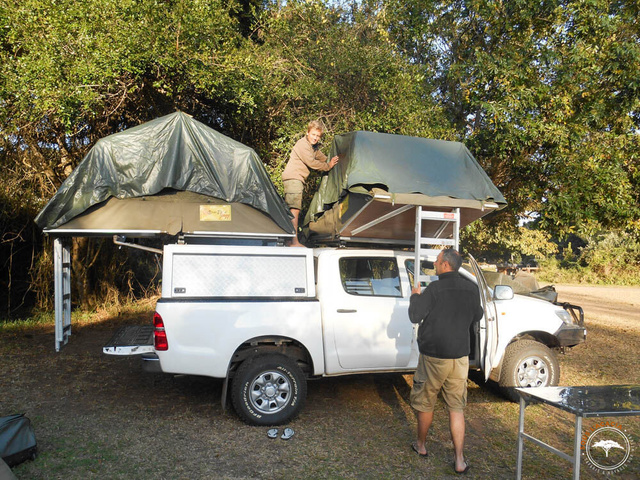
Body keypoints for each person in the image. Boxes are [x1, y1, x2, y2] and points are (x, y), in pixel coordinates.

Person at [408, 248, 483, 474]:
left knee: (426, 402)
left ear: (446, 265)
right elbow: (477, 316)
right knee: (456, 408)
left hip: (434, 357)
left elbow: (414, 315)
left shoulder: (435, 288)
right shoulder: (471, 289)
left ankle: (421, 445)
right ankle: (459, 460)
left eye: (438, 261)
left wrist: (414, 295)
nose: (435, 263)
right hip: (459, 358)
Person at [282, 120, 339, 246]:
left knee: (293, 209)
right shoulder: (303, 144)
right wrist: (328, 166)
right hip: (293, 178)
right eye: (313, 134)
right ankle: (293, 242)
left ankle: (288, 240)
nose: (315, 138)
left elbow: (323, 158)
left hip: (297, 179)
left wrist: (335, 160)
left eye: (318, 136)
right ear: (307, 132)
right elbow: (312, 163)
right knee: (294, 210)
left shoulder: (313, 147)